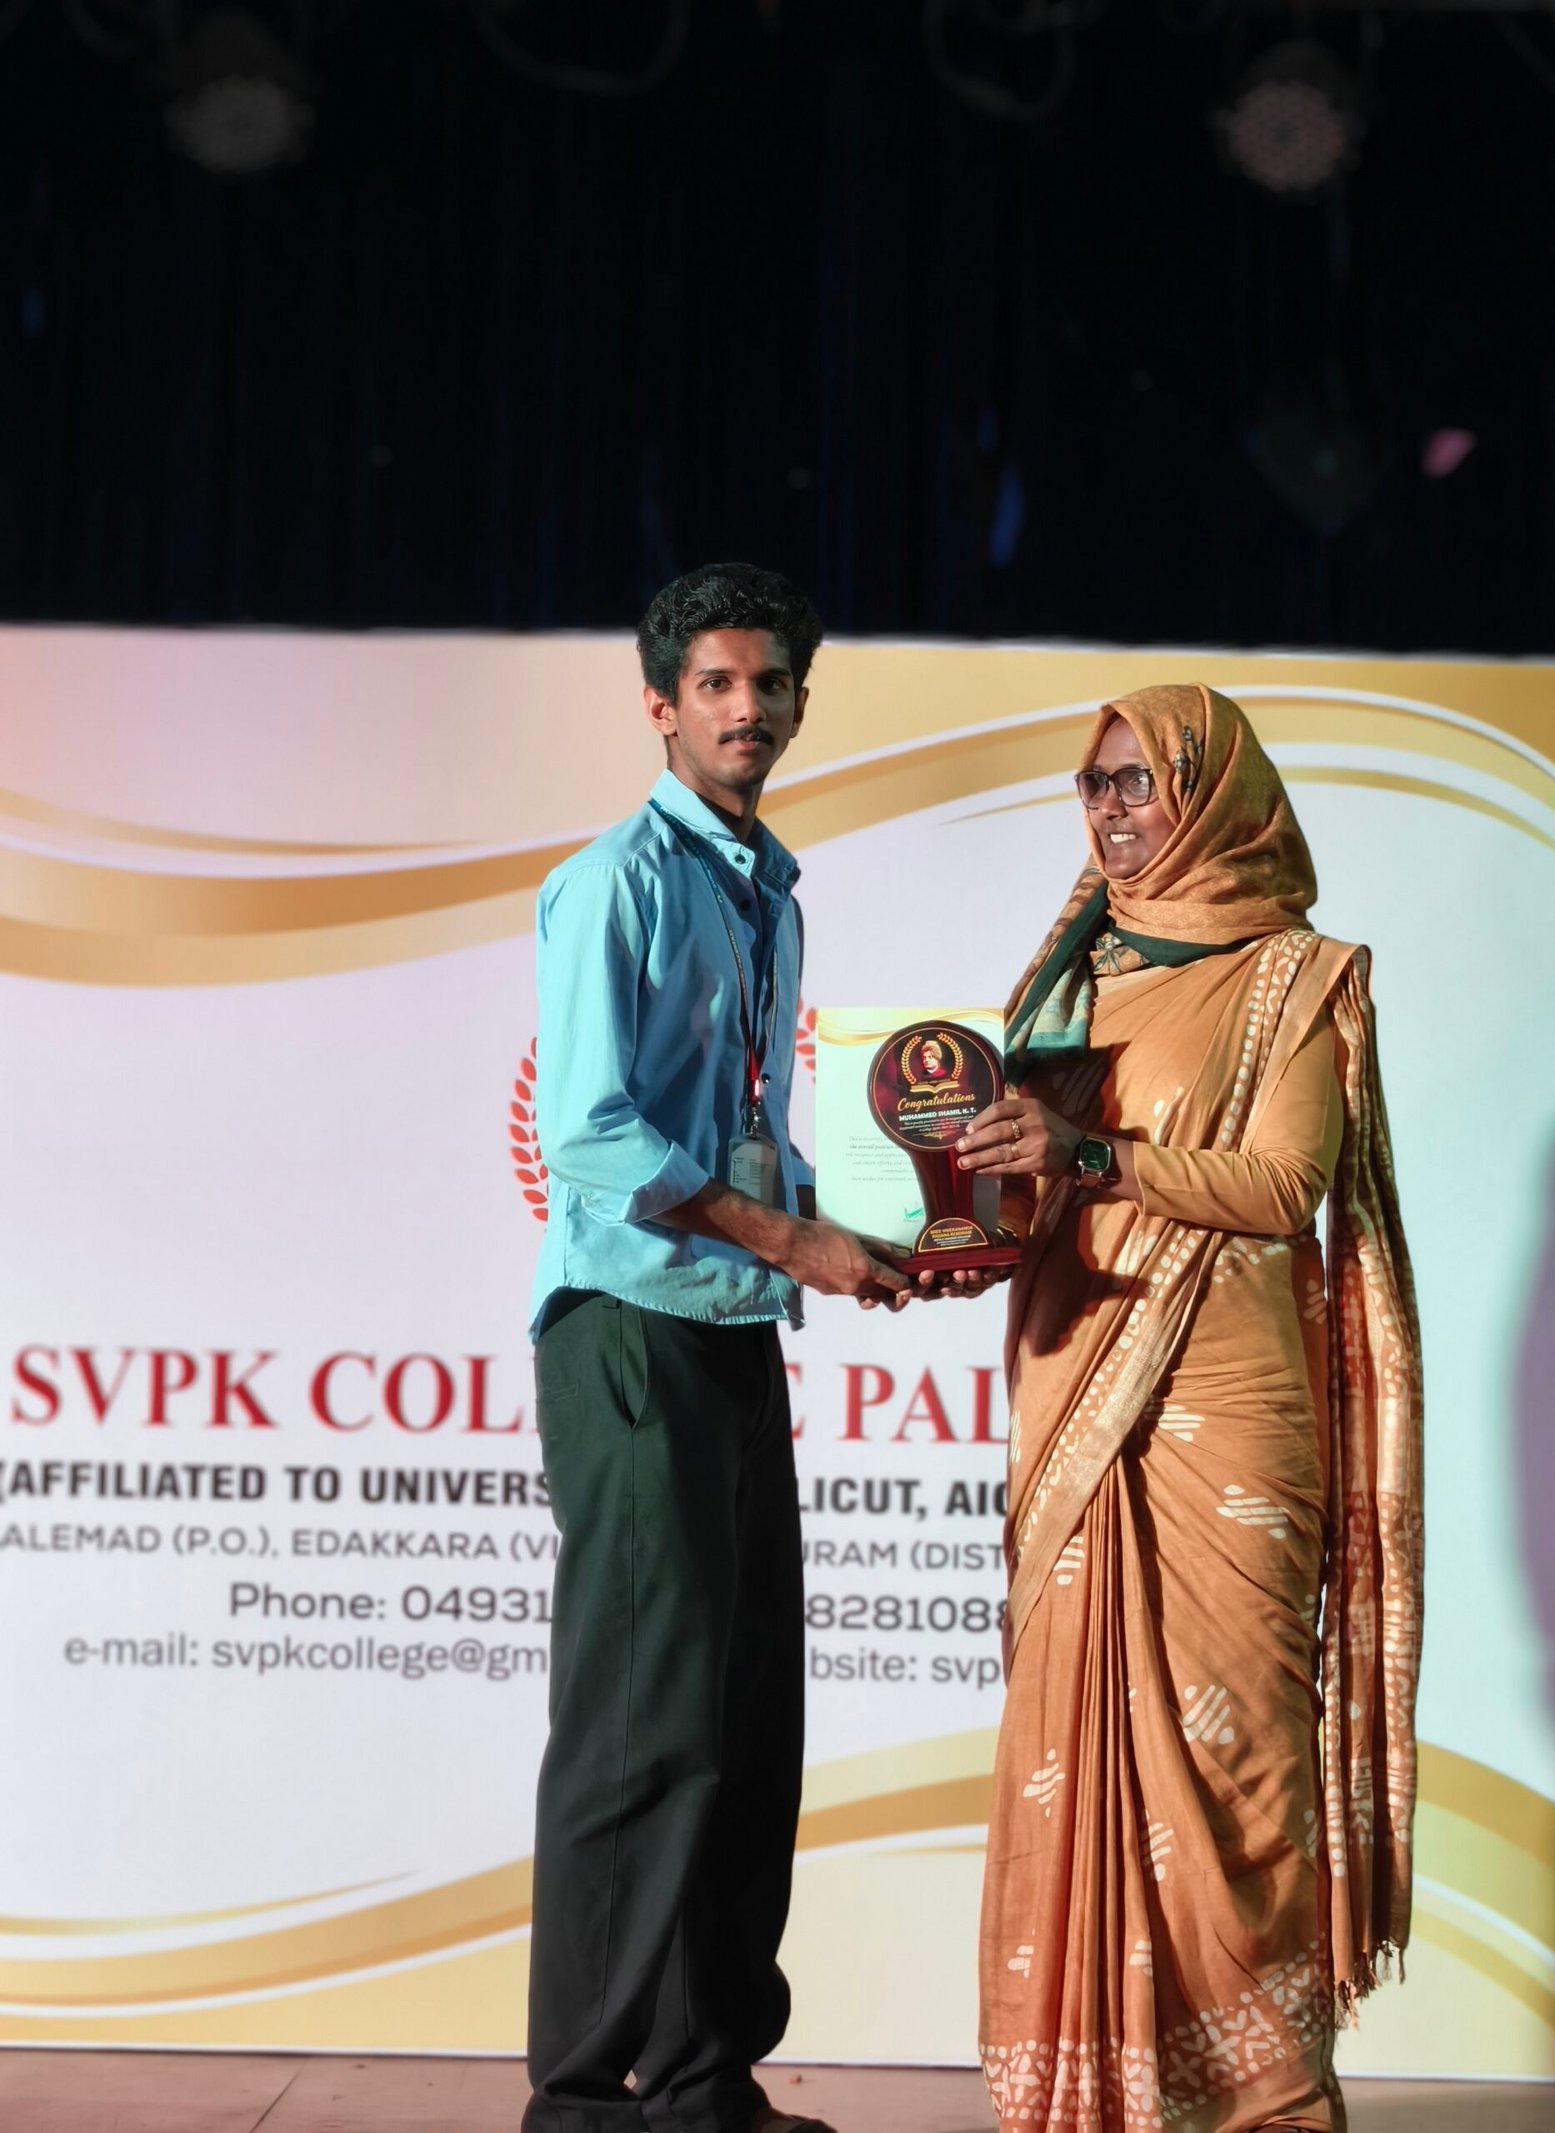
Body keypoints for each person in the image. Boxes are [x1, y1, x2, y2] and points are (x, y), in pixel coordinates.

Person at [956, 685, 1423, 2133]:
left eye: (1138, 781)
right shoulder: (1070, 967)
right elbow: (1017, 1184)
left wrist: (1093, 1153)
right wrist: (939, 1219)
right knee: (1076, 1734)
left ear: (1212, 794)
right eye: (1093, 785)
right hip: (1076, 1380)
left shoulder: (1297, 976)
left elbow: (1286, 1187)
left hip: (1228, 1404)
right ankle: (1110, 2088)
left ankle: (1269, 2095)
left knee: (1246, 1753)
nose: (1110, 810)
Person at [522, 562, 911, 2133]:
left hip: (737, 1324)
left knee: (746, 1719)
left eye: (772, 684)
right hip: (629, 1328)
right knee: (642, 1723)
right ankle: (582, 2098)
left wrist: (873, 1228)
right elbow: (591, 1133)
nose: (749, 708)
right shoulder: (614, 880)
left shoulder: (769, 890)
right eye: (718, 684)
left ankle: (699, 2081)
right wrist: (792, 1239)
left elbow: (746, 1127)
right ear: (662, 705)